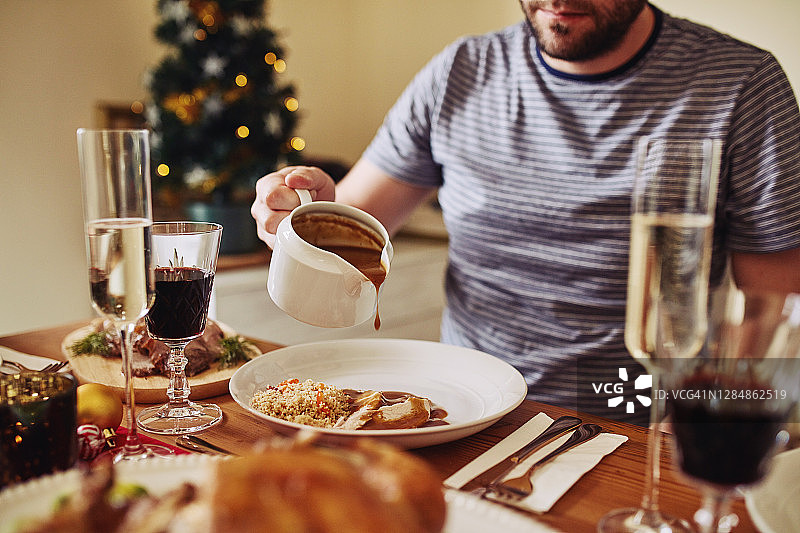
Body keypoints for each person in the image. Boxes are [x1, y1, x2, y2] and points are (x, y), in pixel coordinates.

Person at [251, 0, 800, 424]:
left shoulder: (740, 85)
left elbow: (773, 301)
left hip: (635, 416)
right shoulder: (461, 71)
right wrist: (298, 214)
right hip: (466, 406)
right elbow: (347, 226)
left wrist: (719, 415)